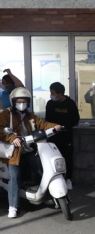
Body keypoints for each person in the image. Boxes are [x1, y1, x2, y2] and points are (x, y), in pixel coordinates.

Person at [0, 87, 62, 218]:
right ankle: (13, 206)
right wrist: (12, 138)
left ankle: (46, 196)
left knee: (42, 170)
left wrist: (55, 126)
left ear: (28, 102)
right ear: (13, 102)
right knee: (14, 177)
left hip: (28, 151)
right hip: (14, 153)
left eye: (24, 101)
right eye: (19, 101)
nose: (21, 104)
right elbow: (0, 129)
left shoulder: (30, 116)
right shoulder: (6, 114)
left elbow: (42, 124)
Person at [45, 81, 80, 190]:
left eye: (53, 93)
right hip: (53, 136)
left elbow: (76, 119)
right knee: (53, 158)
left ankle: (68, 179)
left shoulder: (70, 103)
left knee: (67, 158)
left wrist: (65, 126)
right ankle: (55, 179)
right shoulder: (50, 104)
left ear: (59, 94)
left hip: (66, 136)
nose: (51, 95)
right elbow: (47, 119)